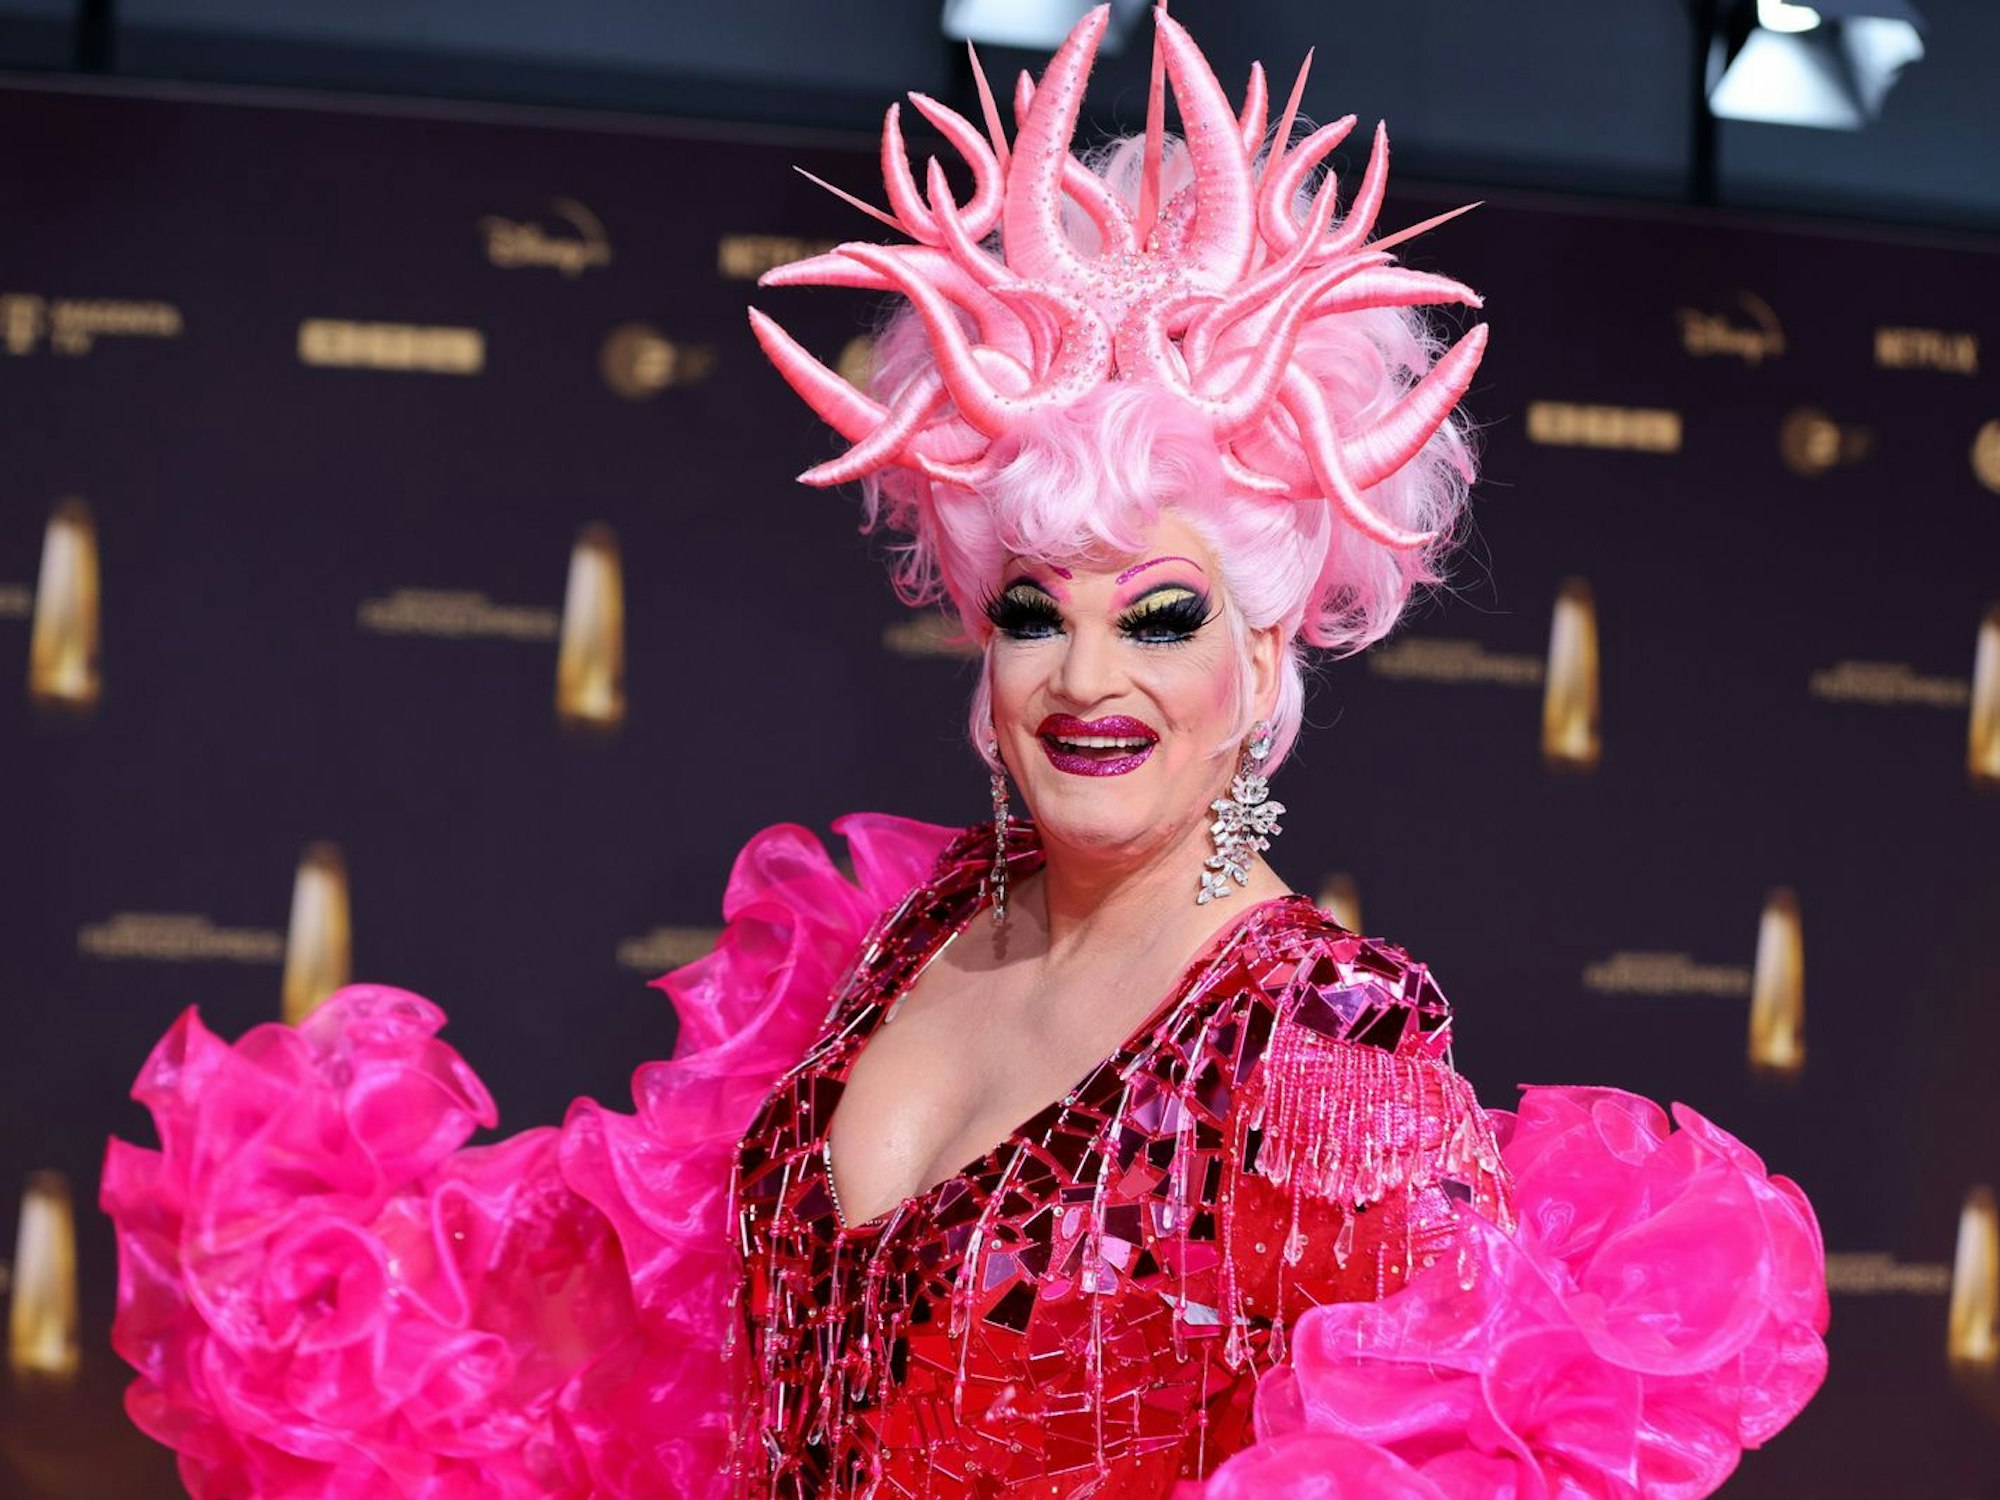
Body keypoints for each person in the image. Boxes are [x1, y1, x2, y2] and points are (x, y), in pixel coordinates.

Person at [102, 9, 1828, 1498]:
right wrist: (326, 1270)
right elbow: (648, 1325)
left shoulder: (1325, 1042)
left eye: (1156, 615)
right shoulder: (897, 939)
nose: (1085, 677)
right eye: (1029, 609)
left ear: (1273, 637)